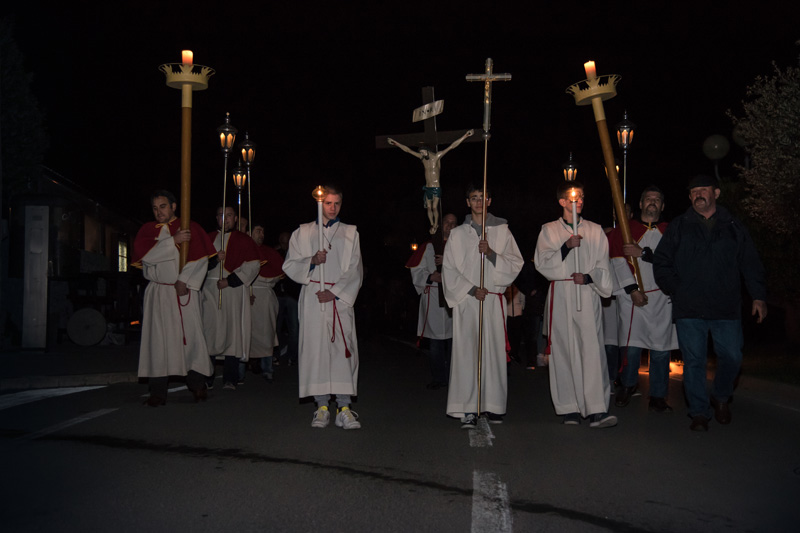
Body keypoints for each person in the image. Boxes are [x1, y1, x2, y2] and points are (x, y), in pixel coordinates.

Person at [654, 175, 767, 431]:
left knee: (732, 356)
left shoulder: (733, 226)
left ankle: (721, 395)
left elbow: (750, 262)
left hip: (725, 307)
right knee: (693, 361)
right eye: (693, 192)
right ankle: (699, 413)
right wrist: (677, 289)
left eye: (703, 190)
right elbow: (661, 262)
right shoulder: (679, 226)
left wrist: (758, 296)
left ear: (716, 192)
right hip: (690, 308)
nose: (698, 195)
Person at [534, 181, 617, 428]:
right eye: (573, 197)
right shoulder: (549, 230)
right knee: (563, 350)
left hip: (587, 293)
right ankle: (569, 407)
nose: (578, 201)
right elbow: (541, 262)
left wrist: (589, 277)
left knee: (592, 350)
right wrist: (566, 247)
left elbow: (604, 265)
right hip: (561, 293)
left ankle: (596, 409)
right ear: (562, 202)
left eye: (581, 196)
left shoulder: (594, 230)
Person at [283, 185, 364, 430]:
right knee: (316, 351)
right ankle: (321, 407)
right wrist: (311, 261)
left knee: (342, 351)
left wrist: (335, 292)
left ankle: (344, 408)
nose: (332, 207)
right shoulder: (304, 232)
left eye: (336, 203)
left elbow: (355, 269)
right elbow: (289, 265)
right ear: (320, 204)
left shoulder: (351, 233)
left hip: (338, 299)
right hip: (313, 297)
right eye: (328, 203)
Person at [442, 185, 523, 427]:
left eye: (483, 197)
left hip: (493, 302)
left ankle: (491, 405)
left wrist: (491, 253)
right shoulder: (458, 234)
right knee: (467, 354)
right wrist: (470, 288)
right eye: (474, 198)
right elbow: (449, 269)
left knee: (493, 354)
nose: (479, 201)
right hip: (467, 302)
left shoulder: (502, 231)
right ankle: (467, 407)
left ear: (490, 201)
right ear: (467, 202)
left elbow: (515, 263)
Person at [132, 190, 216, 406]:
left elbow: (200, 260)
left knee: (190, 339)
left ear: (174, 206)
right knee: (158, 342)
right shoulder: (147, 231)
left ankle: (197, 385)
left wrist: (184, 280)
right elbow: (147, 258)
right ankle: (158, 392)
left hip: (184, 291)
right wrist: (173, 240)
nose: (158, 211)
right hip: (158, 293)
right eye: (155, 207)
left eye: (163, 206)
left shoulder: (190, 227)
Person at [607, 186, 678, 412]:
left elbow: (676, 263)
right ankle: (627, 384)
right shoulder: (626, 230)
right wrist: (632, 290)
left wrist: (644, 254)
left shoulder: (672, 232)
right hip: (633, 296)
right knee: (632, 346)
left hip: (662, 298)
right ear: (640, 204)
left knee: (660, 350)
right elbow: (617, 260)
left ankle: (658, 396)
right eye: (648, 199)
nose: (652, 202)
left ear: (663, 206)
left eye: (657, 199)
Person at [201, 206, 261, 390]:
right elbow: (195, 263)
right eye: (220, 215)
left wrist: (230, 281)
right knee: (209, 332)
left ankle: (230, 378)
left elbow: (253, 265)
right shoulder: (208, 238)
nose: (224, 219)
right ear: (216, 218)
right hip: (210, 291)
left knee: (232, 333)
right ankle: (207, 376)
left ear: (235, 219)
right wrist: (213, 260)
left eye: (228, 215)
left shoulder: (244, 240)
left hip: (233, 291)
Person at [387, 130, 474, 234]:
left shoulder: (436, 157)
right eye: (421, 153)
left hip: (436, 187)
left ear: (427, 151)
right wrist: (396, 143)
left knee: (434, 207)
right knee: (428, 208)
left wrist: (465, 136)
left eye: (423, 152)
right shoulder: (423, 159)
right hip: (428, 187)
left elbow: (451, 146)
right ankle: (433, 225)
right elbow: (408, 151)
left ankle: (436, 224)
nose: (422, 154)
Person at [406, 213, 457, 390]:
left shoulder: (460, 247)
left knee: (454, 340)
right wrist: (430, 277)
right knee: (436, 341)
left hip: (454, 298)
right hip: (434, 297)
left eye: (453, 223)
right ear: (440, 225)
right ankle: (439, 377)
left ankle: (454, 378)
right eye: (446, 223)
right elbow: (416, 271)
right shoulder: (428, 247)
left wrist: (448, 277)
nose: (450, 226)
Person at [247, 223, 284, 382]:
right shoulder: (244, 250)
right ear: (249, 233)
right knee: (246, 332)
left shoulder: (270, 252)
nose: (261, 234)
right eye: (258, 231)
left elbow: (280, 272)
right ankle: (241, 370)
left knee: (266, 333)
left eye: (263, 231)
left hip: (266, 296)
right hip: (247, 294)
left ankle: (267, 368)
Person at [274, 231, 301, 367]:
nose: (285, 245)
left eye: (287, 242)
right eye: (282, 242)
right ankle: (276, 355)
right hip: (278, 296)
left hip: (292, 296)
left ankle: (293, 356)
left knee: (294, 328)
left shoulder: (297, 254)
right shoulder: (275, 253)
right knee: (276, 327)